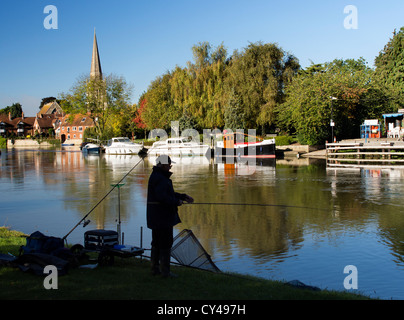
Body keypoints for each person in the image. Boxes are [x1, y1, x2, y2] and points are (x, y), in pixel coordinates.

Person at [146, 155, 194, 277]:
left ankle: (155, 270)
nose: (170, 167)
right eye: (169, 165)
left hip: (156, 216)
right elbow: (162, 197)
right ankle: (165, 272)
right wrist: (176, 202)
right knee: (165, 243)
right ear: (162, 165)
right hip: (162, 217)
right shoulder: (160, 178)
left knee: (156, 242)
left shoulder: (157, 176)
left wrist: (182, 196)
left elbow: (168, 194)